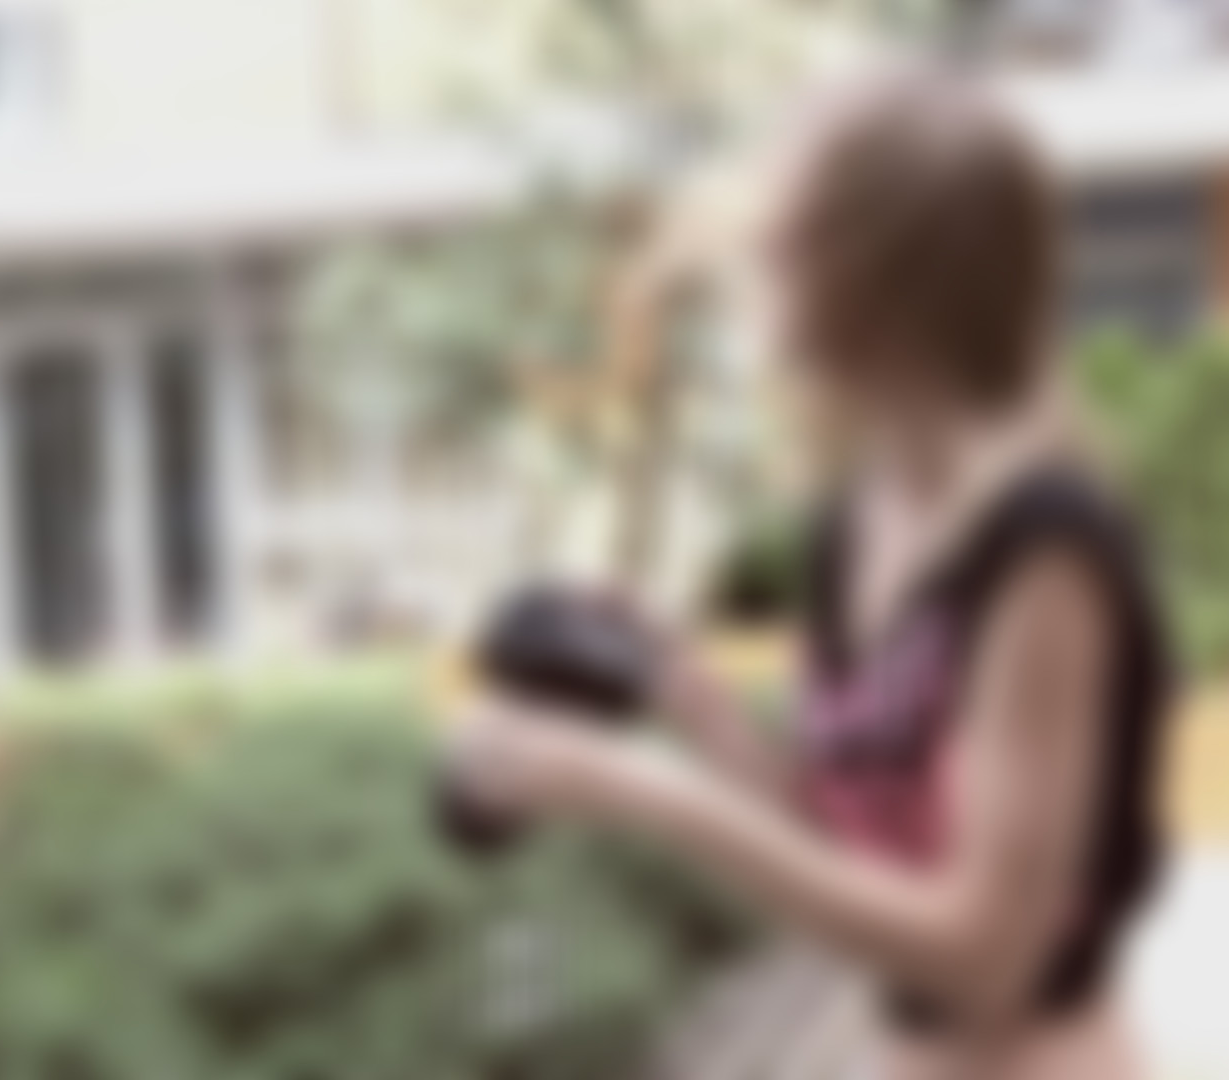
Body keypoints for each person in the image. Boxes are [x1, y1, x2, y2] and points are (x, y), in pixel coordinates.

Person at [444, 66, 1176, 1080]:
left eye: (788, 237)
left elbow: (986, 961)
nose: (758, 261)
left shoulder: (1047, 550)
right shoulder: (855, 523)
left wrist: (644, 791)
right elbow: (848, 845)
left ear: (886, 270)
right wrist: (691, 699)